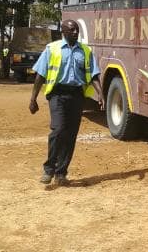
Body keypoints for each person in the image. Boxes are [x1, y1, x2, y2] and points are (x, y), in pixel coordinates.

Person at [29, 20, 104, 186]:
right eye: (72, 30)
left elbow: (93, 74)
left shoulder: (85, 51)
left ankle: (61, 173)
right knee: (59, 129)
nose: (76, 32)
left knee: (70, 135)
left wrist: (101, 94)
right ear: (63, 31)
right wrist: (33, 99)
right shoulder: (52, 49)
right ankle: (49, 169)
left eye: (77, 30)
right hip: (57, 94)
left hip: (77, 96)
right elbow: (40, 75)